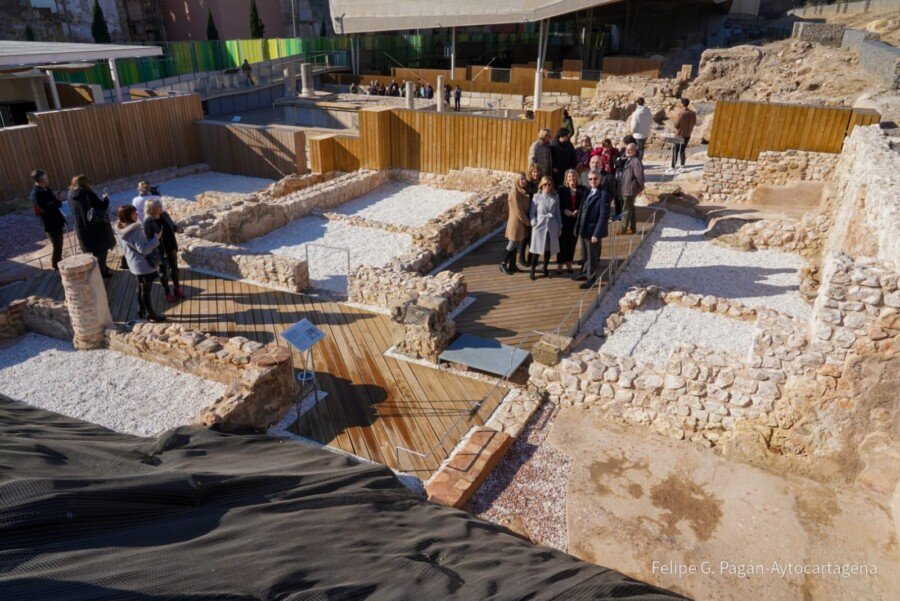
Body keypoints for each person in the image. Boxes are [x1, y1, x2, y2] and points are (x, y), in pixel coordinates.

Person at [117, 204, 165, 322]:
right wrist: (156, 239)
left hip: (134, 264)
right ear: (129, 216)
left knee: (140, 287)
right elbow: (144, 249)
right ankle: (151, 314)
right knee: (146, 290)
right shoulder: (135, 231)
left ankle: (141, 310)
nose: (137, 214)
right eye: (134, 213)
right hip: (143, 265)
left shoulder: (121, 229)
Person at [67, 174, 115, 278]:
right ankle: (102, 272)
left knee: (91, 252)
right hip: (95, 227)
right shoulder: (88, 194)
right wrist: (105, 198)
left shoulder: (70, 195)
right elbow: (102, 207)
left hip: (81, 227)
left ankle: (101, 268)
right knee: (101, 251)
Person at [573, 170, 611, 289]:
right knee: (585, 255)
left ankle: (591, 278)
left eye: (595, 179)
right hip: (584, 229)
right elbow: (582, 210)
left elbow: (603, 216)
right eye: (590, 179)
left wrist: (597, 234)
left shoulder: (603, 194)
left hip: (593, 232)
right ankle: (585, 273)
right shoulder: (588, 191)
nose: (593, 181)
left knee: (592, 257)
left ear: (599, 179)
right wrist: (577, 227)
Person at [143, 199, 184, 302]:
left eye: (161, 206)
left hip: (171, 246)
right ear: (152, 209)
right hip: (159, 251)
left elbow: (172, 225)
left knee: (174, 268)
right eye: (158, 207)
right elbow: (147, 238)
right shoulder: (148, 221)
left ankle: (177, 288)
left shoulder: (164, 215)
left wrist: (177, 229)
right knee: (163, 272)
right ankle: (167, 293)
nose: (161, 208)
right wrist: (156, 238)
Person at [29, 169, 67, 271]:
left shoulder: (46, 189)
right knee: (57, 244)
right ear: (41, 179)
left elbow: (57, 204)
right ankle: (56, 265)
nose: (47, 178)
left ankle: (58, 262)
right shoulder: (36, 193)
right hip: (49, 223)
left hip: (57, 220)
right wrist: (54, 202)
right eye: (46, 177)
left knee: (60, 243)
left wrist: (57, 200)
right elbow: (44, 209)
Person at [528, 176, 561, 281]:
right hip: (539, 226)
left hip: (552, 225)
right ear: (541, 185)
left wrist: (560, 226)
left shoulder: (555, 197)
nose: (547, 186)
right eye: (545, 184)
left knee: (548, 249)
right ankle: (532, 270)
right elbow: (532, 213)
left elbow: (558, 213)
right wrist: (534, 223)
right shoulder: (536, 196)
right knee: (536, 249)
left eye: (549, 184)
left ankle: (545, 268)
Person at [500, 173, 530, 275]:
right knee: (512, 243)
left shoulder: (521, 191)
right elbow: (518, 211)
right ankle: (502, 263)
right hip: (516, 223)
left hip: (520, 223)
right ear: (517, 180)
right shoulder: (514, 193)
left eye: (525, 179)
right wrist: (528, 222)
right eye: (521, 179)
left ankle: (512, 266)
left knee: (515, 243)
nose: (524, 181)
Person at [556, 169, 584, 274]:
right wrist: (564, 210)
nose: (571, 178)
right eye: (569, 176)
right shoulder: (562, 189)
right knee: (562, 241)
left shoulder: (582, 189)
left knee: (572, 241)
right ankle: (560, 263)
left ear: (577, 177)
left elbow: (584, 204)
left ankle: (568, 261)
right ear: (566, 179)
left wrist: (579, 211)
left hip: (576, 220)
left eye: (573, 176)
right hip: (564, 219)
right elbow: (558, 204)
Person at [620, 142, 645, 235]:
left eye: (630, 149)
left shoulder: (635, 161)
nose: (628, 151)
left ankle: (623, 228)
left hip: (630, 190)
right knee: (631, 208)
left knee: (626, 209)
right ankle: (633, 227)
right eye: (627, 149)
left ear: (635, 150)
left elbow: (640, 177)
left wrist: (641, 187)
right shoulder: (629, 159)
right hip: (627, 189)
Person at [521, 163, 543, 267]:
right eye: (534, 171)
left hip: (538, 213)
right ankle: (521, 258)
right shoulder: (528, 183)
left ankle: (531, 258)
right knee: (526, 237)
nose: (536, 173)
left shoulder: (542, 183)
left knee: (534, 237)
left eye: (538, 171)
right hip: (527, 212)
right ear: (531, 172)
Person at [668, 97, 697, 174]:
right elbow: (694, 123)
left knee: (675, 151)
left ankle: (672, 167)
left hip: (679, 134)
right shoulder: (692, 113)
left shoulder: (681, 113)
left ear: (682, 104)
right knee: (682, 150)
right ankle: (682, 166)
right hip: (688, 134)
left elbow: (676, 124)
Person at [598, 138, 620, 217]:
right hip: (604, 175)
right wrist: (603, 153)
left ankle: (617, 213)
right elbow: (600, 161)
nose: (608, 148)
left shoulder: (615, 151)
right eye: (606, 146)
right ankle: (606, 211)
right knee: (604, 193)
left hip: (612, 174)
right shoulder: (601, 152)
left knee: (613, 193)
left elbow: (616, 161)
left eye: (609, 146)